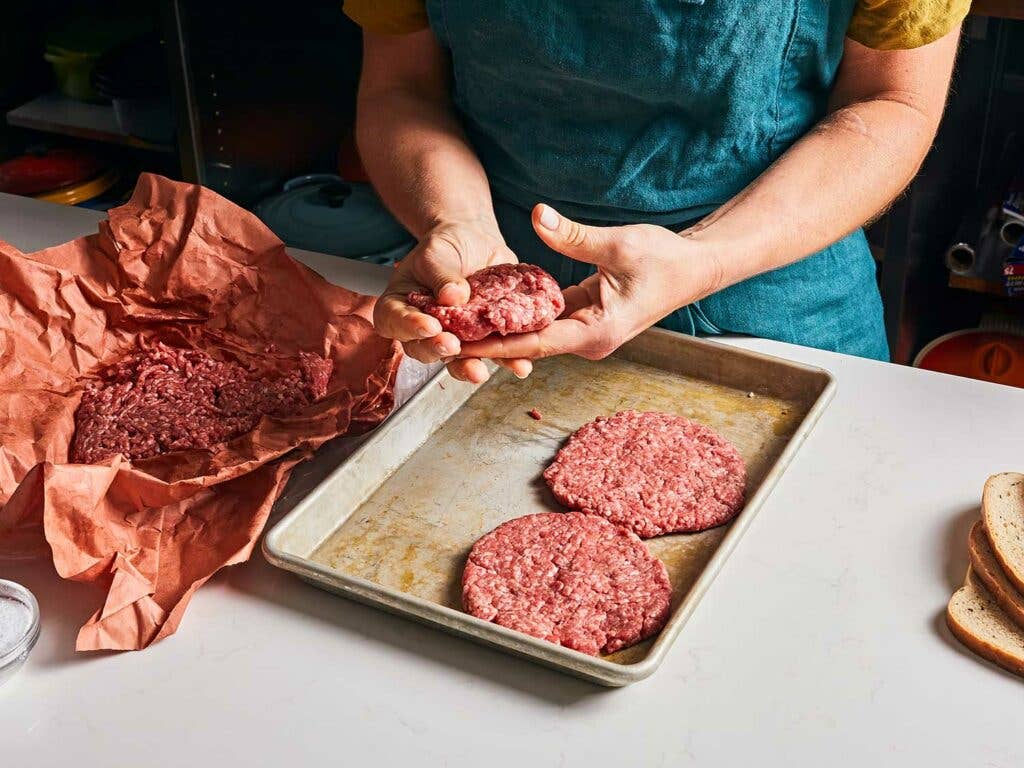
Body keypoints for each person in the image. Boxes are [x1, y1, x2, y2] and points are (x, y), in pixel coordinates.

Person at [347, 0, 968, 383]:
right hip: (500, 262)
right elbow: (403, 87)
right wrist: (454, 221)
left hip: (775, 270)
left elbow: (890, 100)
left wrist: (708, 256)